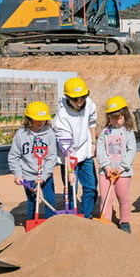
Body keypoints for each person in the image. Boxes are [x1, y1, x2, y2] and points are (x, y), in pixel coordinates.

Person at [53, 77, 99, 219]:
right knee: (72, 188)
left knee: (91, 187)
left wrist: (93, 143)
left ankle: (86, 215)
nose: (80, 102)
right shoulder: (62, 116)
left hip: (85, 151)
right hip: (68, 155)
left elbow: (92, 122)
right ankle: (73, 219)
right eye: (76, 99)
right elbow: (66, 148)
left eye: (83, 97)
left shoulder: (89, 104)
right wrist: (70, 170)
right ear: (67, 97)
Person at [8, 101, 57, 220]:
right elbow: (13, 156)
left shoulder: (49, 133)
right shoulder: (21, 134)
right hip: (28, 175)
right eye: (37, 119)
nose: (40, 122)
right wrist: (18, 175)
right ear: (29, 119)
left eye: (43, 119)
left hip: (45, 174)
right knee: (32, 202)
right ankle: (32, 231)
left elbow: (51, 157)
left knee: (50, 200)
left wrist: (44, 176)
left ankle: (51, 226)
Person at [97, 96, 137, 233]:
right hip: (106, 172)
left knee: (123, 197)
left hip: (123, 172)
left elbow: (132, 150)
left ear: (125, 115)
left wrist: (121, 168)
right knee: (105, 197)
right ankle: (105, 221)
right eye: (112, 118)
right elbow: (100, 149)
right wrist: (106, 166)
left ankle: (124, 221)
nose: (115, 121)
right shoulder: (105, 132)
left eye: (118, 117)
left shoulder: (128, 132)